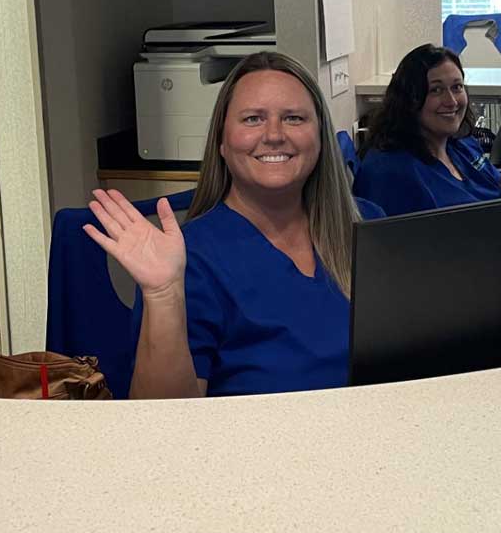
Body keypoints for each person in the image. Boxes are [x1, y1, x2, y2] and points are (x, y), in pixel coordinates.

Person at [85, 51, 380, 399]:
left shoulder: (369, 225)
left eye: (294, 118)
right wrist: (163, 295)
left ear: (320, 136)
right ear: (222, 143)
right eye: (253, 119)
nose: (274, 135)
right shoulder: (189, 260)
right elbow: (162, 418)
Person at [352, 43, 501, 217]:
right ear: (409, 99)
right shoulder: (390, 172)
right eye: (436, 90)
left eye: (457, 87)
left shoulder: (461, 144)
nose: (451, 101)